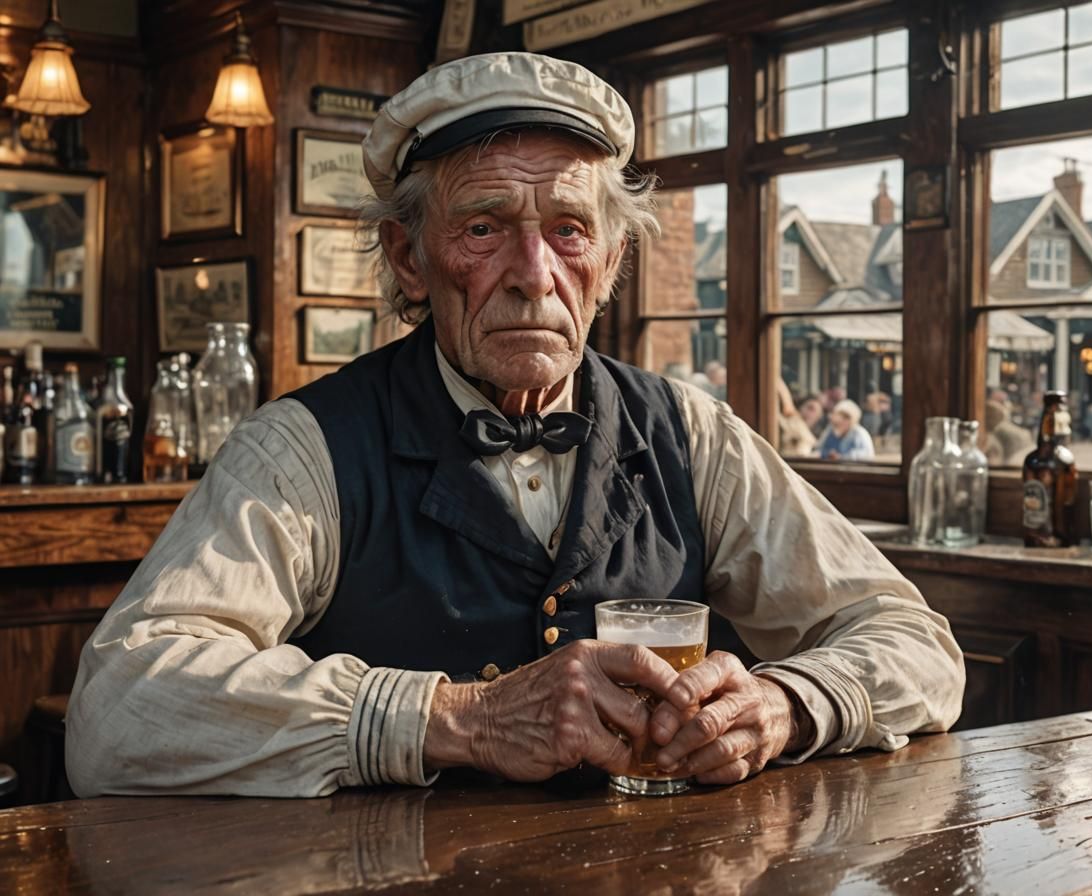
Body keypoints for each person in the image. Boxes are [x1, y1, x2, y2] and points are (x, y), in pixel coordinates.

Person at [66, 52, 963, 798]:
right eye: (486, 226)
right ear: (409, 258)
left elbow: (914, 640)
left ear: (609, 262)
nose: (535, 272)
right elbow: (118, 713)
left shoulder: (690, 431)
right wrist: (457, 718)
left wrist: (787, 704)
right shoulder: (304, 448)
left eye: (569, 229)